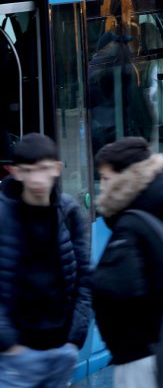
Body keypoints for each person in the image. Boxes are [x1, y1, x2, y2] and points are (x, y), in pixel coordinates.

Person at [90, 137, 163, 386]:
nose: (101, 186)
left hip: (139, 354)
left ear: (125, 178)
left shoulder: (132, 225)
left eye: (105, 178)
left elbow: (116, 289)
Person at [0, 134, 91, 388]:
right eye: (28, 171)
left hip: (61, 353)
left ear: (56, 168)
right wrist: (8, 342)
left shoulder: (69, 211)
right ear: (15, 172)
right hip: (14, 359)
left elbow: (84, 277)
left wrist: (74, 339)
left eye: (43, 169)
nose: (37, 179)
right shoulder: (3, 214)